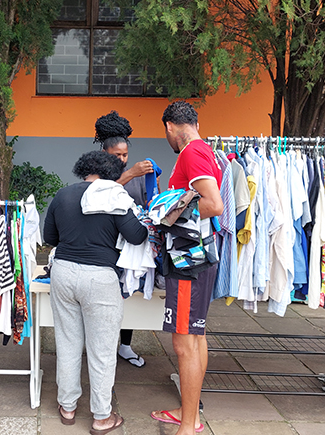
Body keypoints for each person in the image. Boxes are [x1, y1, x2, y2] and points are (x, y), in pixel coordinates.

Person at [44, 150, 147, 435]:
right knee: (101, 351)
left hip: (63, 272)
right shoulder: (114, 195)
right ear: (112, 172)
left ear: (84, 170)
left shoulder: (62, 195)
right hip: (100, 277)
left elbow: (49, 238)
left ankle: (67, 407)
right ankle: (101, 417)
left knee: (67, 342)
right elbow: (137, 236)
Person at [150, 101, 223, 435]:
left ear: (169, 125)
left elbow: (213, 204)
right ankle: (187, 411)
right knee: (196, 336)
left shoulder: (191, 153)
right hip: (199, 259)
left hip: (187, 263)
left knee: (184, 344)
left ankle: (189, 423)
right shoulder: (204, 149)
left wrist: (165, 215)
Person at [94, 110, 157, 368]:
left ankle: (125, 346)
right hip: (105, 241)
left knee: (129, 293)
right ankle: (102, 345)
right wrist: (130, 172)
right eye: (116, 155)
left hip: (131, 241)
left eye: (125, 155)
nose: (121, 159)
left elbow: (147, 202)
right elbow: (101, 194)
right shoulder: (96, 170)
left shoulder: (137, 174)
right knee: (107, 297)